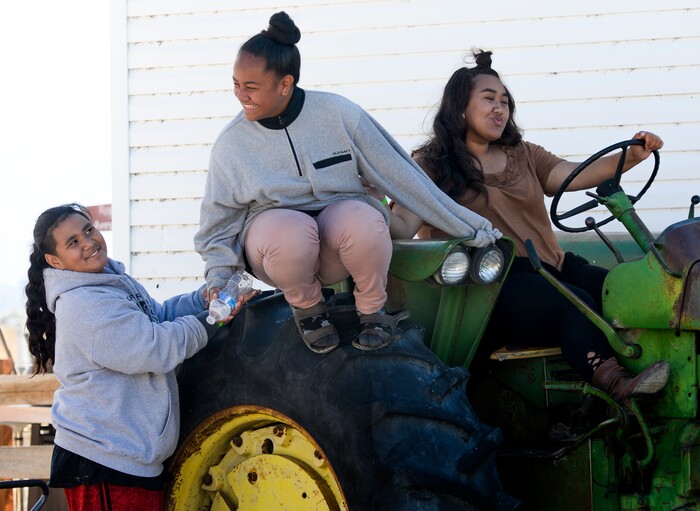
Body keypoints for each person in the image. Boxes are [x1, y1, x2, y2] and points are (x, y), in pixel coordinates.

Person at [194, 12, 502, 354]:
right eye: (236, 84)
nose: (240, 95)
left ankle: (373, 311)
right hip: (278, 250)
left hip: (338, 242)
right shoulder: (231, 145)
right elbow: (217, 227)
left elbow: (401, 176)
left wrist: (470, 226)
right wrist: (219, 282)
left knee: (366, 220)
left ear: (286, 83)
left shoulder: (338, 114)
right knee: (292, 233)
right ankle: (309, 311)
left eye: (251, 87)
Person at [388, 49, 669, 404]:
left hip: (555, 267)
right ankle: (618, 386)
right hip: (493, 285)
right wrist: (372, 210)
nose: (499, 108)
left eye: (505, 101)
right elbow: (402, 225)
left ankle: (664, 371)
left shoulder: (523, 153)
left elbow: (574, 173)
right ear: (459, 108)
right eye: (488, 99)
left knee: (624, 293)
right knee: (576, 304)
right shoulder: (429, 165)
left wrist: (631, 156)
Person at [25, 203, 255, 511]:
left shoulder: (110, 280)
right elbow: (155, 349)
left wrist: (202, 299)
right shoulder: (83, 303)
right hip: (103, 460)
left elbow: (156, 318)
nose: (89, 243)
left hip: (128, 454)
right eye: (73, 242)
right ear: (55, 260)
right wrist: (213, 319)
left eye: (88, 230)